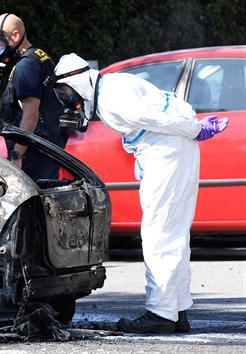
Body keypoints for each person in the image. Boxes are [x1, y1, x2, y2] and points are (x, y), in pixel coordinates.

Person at [50, 53, 229, 334]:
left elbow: (157, 118)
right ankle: (176, 309)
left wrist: (195, 128)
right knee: (174, 233)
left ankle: (161, 313)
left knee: (158, 234)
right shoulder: (111, 88)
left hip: (168, 152)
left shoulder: (111, 98)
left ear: (78, 82)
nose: (65, 100)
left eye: (64, 93)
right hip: (171, 152)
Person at [0, 13, 66, 180]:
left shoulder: (25, 67)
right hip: (46, 147)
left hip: (33, 153)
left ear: (15, 35)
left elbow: (31, 115)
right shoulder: (39, 56)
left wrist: (16, 155)